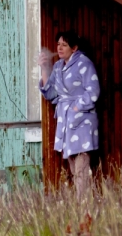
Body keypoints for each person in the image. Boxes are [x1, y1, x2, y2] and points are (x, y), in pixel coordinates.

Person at [38, 30, 100, 200]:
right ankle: (81, 204)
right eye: (58, 44)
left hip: (82, 119)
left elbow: (94, 91)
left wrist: (76, 107)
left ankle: (84, 205)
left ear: (74, 48)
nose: (59, 48)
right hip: (66, 120)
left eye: (64, 45)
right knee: (73, 167)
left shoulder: (84, 64)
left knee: (81, 165)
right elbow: (50, 93)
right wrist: (44, 68)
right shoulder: (58, 66)